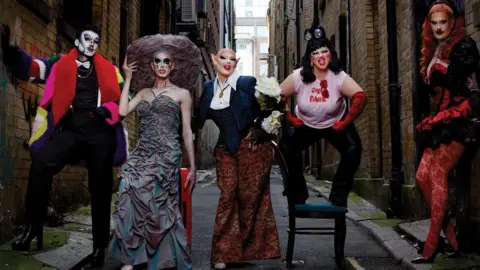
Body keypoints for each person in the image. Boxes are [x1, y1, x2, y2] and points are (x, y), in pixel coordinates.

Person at [1, 24, 125, 268]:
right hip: (71, 130)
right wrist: (12, 53)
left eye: (96, 40)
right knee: (41, 163)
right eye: (87, 38)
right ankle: (33, 227)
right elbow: (35, 68)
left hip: (100, 133)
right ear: (78, 41)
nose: (92, 43)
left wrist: (106, 110)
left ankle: (100, 247)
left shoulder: (109, 70)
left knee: (100, 188)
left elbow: (124, 99)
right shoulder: (61, 63)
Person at [110, 34, 199, 270]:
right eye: (157, 61)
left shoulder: (182, 94)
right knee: (127, 189)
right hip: (143, 152)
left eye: (166, 62)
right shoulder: (143, 93)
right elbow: (121, 112)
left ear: (172, 66)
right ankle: (130, 256)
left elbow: (187, 131)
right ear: (152, 65)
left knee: (158, 204)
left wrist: (193, 166)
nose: (161, 65)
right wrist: (127, 78)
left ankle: (160, 257)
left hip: (167, 154)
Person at [196, 48, 281, 269]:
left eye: (232, 59)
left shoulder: (246, 83)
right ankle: (222, 254)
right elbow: (196, 119)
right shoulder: (207, 89)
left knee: (249, 200)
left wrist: (260, 132)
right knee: (227, 196)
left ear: (237, 62)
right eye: (223, 57)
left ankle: (239, 250)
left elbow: (274, 108)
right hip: (225, 149)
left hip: (252, 149)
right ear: (214, 60)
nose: (227, 62)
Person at [412, 0, 480, 263]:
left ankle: (431, 245)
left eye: (444, 22)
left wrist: (452, 113)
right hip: (441, 120)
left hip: (462, 117)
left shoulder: (463, 46)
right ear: (429, 25)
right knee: (421, 176)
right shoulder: (431, 50)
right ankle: (450, 237)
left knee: (437, 171)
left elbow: (471, 90)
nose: (439, 27)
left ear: (453, 23)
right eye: (434, 22)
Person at [279, 25, 366, 207]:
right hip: (306, 124)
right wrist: (291, 119)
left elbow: (360, 96)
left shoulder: (338, 76)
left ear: (330, 54)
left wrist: (345, 123)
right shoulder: (299, 77)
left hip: (335, 122)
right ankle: (298, 192)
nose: (321, 56)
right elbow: (276, 96)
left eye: (324, 51)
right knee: (286, 147)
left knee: (353, 149)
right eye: (316, 53)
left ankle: (338, 195)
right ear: (310, 58)